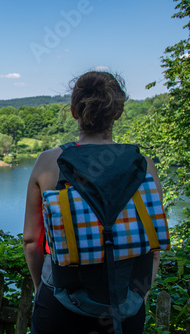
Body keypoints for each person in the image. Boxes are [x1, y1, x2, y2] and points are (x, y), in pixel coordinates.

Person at [22, 71, 163, 334]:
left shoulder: (49, 162)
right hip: (124, 306)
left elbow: (31, 240)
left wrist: (43, 289)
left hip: (60, 300)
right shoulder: (143, 165)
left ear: (74, 111)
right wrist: (140, 296)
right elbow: (153, 245)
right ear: (118, 113)